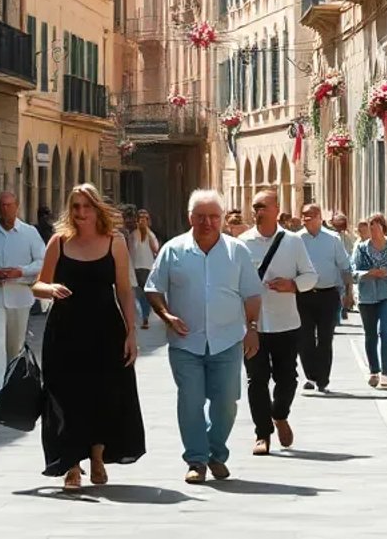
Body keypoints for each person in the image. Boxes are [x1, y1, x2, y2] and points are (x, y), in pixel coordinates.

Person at [146, 189, 263, 484]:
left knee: (227, 403)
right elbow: (153, 288)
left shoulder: (237, 251)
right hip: (186, 342)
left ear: (222, 218)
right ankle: (196, 460)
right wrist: (166, 315)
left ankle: (216, 452)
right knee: (190, 401)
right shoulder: (173, 250)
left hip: (227, 340)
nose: (207, 222)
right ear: (190, 218)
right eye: (201, 217)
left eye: (213, 216)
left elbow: (251, 293)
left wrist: (252, 328)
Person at [33, 184, 146, 490]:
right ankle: (71, 465)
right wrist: (50, 289)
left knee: (103, 394)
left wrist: (131, 332)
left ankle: (97, 456)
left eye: (87, 206)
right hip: (64, 331)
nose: (81, 213)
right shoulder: (59, 241)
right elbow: (38, 285)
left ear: (97, 210)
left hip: (105, 330)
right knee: (65, 396)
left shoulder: (115, 242)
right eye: (76, 207)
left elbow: (124, 290)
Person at [236, 190, 317, 455]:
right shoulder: (242, 243)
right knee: (256, 379)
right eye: (255, 206)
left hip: (286, 322)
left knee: (288, 379)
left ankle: (279, 414)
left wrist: (292, 285)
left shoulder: (292, 242)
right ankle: (262, 434)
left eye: (263, 206)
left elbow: (311, 276)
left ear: (276, 209)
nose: (258, 211)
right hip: (253, 325)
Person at [0, 191, 47, 403]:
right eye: (2, 205)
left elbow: (42, 261)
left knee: (15, 345)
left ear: (17, 206)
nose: (6, 209)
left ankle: (12, 384)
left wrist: (21, 271)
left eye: (9, 205)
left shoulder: (29, 233)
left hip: (20, 295)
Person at [294, 203, 353, 393]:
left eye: (311, 215)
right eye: (304, 215)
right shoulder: (295, 240)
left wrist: (349, 293)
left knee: (325, 338)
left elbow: (344, 267)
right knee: (305, 338)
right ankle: (310, 376)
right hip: (303, 295)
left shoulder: (333, 239)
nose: (306, 218)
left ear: (320, 217)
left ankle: (323, 379)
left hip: (328, 295)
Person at [351, 212, 387, 389]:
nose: (374, 231)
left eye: (377, 227)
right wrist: (368, 273)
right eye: (371, 227)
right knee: (370, 334)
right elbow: (352, 272)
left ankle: (386, 374)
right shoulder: (361, 249)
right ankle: (374, 371)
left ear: (384, 228)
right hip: (367, 297)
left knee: (385, 332)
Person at [129, 209, 161, 329]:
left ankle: (145, 316)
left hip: (147, 267)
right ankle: (142, 315)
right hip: (136, 267)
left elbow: (156, 249)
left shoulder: (151, 235)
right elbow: (130, 252)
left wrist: (147, 232)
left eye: (145, 219)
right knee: (138, 294)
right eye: (140, 219)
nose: (142, 221)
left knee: (146, 293)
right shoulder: (133, 235)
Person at [331, 211, 359, 319]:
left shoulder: (347, 237)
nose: (339, 227)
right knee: (336, 290)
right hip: (333, 268)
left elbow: (351, 251)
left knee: (345, 289)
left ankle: (344, 307)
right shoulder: (330, 236)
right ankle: (338, 312)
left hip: (345, 266)